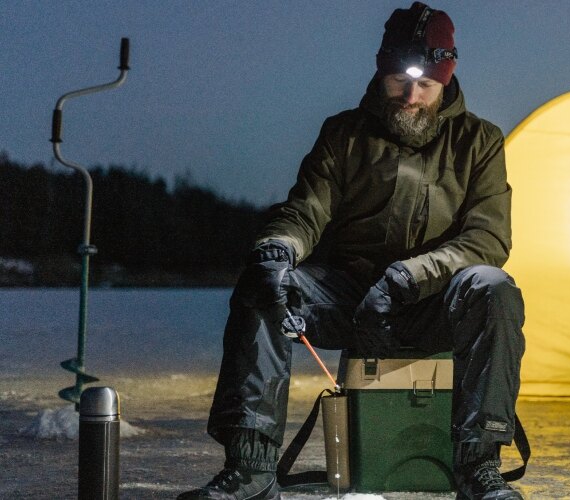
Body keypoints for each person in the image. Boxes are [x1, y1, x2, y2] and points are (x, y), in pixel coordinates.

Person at [178, 3, 525, 499]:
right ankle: (252, 467)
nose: (411, 96)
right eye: (398, 82)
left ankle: (478, 466)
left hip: (433, 301)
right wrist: (279, 248)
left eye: (425, 85)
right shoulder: (343, 133)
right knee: (265, 285)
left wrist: (406, 278)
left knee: (493, 288)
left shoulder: (479, 141)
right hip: (347, 298)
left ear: (446, 81)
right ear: (380, 72)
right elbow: (306, 209)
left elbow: (487, 239)